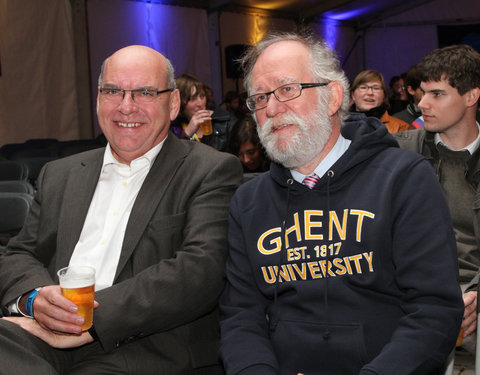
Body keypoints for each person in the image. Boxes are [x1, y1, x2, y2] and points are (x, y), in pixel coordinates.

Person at [219, 31, 464, 375]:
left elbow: (434, 310)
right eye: (259, 98)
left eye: (287, 89)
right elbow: (240, 316)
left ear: (332, 96)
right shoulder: (249, 201)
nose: (272, 109)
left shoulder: (404, 179)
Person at [0, 45, 243, 374]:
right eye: (113, 91)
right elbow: (19, 254)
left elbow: (200, 270)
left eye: (144, 92)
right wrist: (36, 299)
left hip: (143, 347)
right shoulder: (58, 174)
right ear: (99, 100)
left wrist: (87, 320)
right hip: (43, 336)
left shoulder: (210, 170)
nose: (126, 107)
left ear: (173, 104)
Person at [395, 44, 480, 350]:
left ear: (471, 97)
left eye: (438, 94)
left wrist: (476, 295)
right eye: (423, 92)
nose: (423, 104)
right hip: (412, 293)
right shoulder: (402, 150)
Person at [171, 74, 235, 151]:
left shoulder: (226, 122)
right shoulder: (173, 125)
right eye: (192, 99)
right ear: (180, 101)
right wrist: (187, 133)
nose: (200, 103)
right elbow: (169, 156)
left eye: (202, 96)